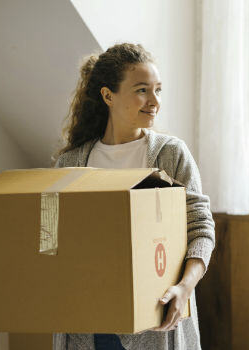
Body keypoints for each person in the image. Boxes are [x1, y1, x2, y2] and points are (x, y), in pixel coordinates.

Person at [51, 43, 215, 350]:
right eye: (142, 90)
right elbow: (51, 241)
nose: (154, 101)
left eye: (158, 90)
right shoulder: (70, 164)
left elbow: (201, 229)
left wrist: (184, 287)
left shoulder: (171, 154)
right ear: (108, 95)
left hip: (157, 324)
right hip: (87, 325)